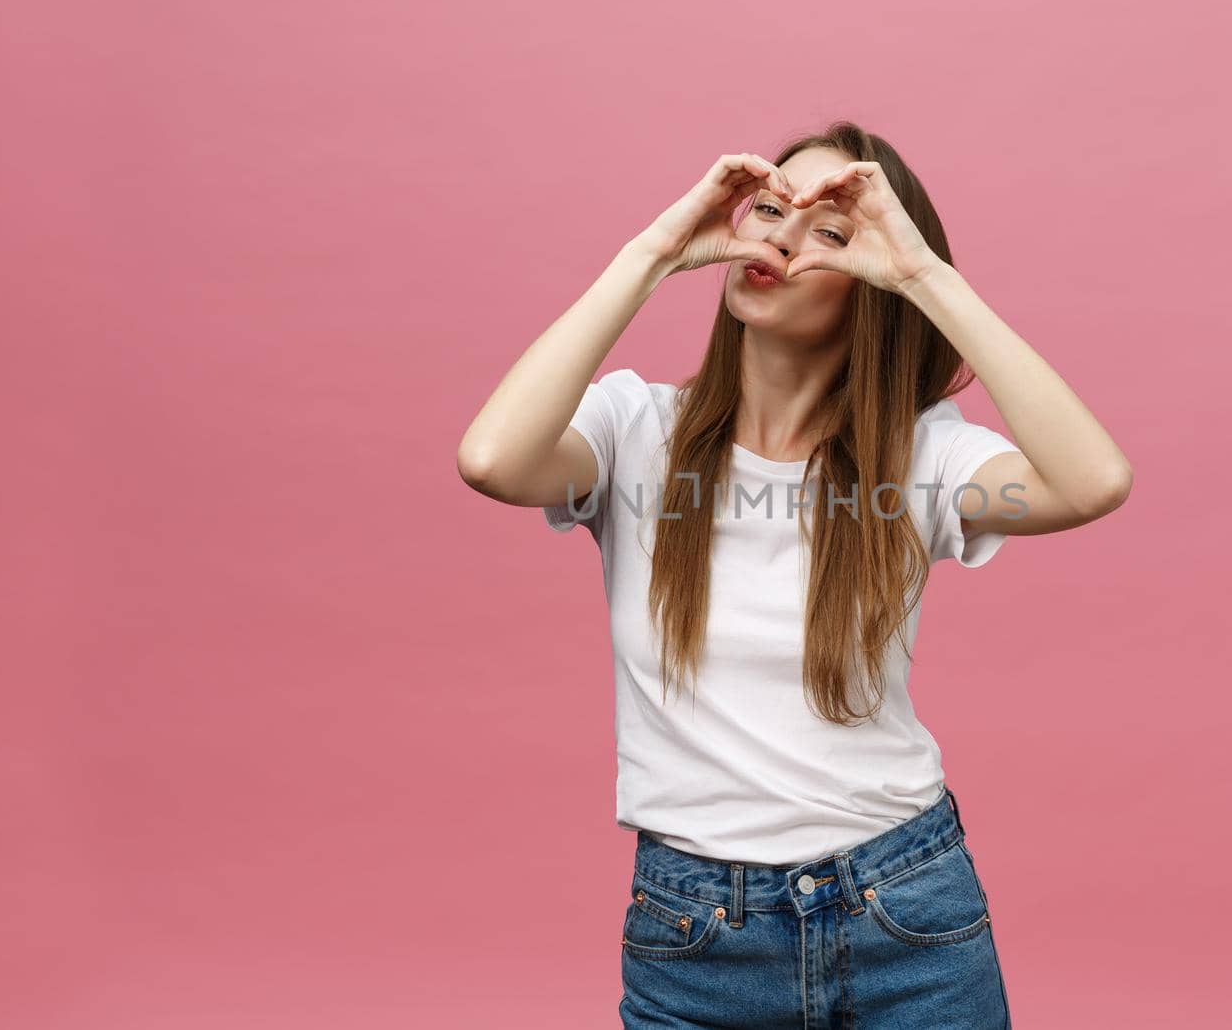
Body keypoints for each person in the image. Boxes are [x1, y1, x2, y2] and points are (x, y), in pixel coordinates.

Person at [458, 121, 1132, 1028]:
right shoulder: (634, 431)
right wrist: (654, 253)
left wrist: (925, 275)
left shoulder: (920, 459)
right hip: (695, 935)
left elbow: (1094, 481)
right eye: (770, 208)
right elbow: (492, 458)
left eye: (830, 230)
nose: (777, 235)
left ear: (874, 281)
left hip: (906, 913)